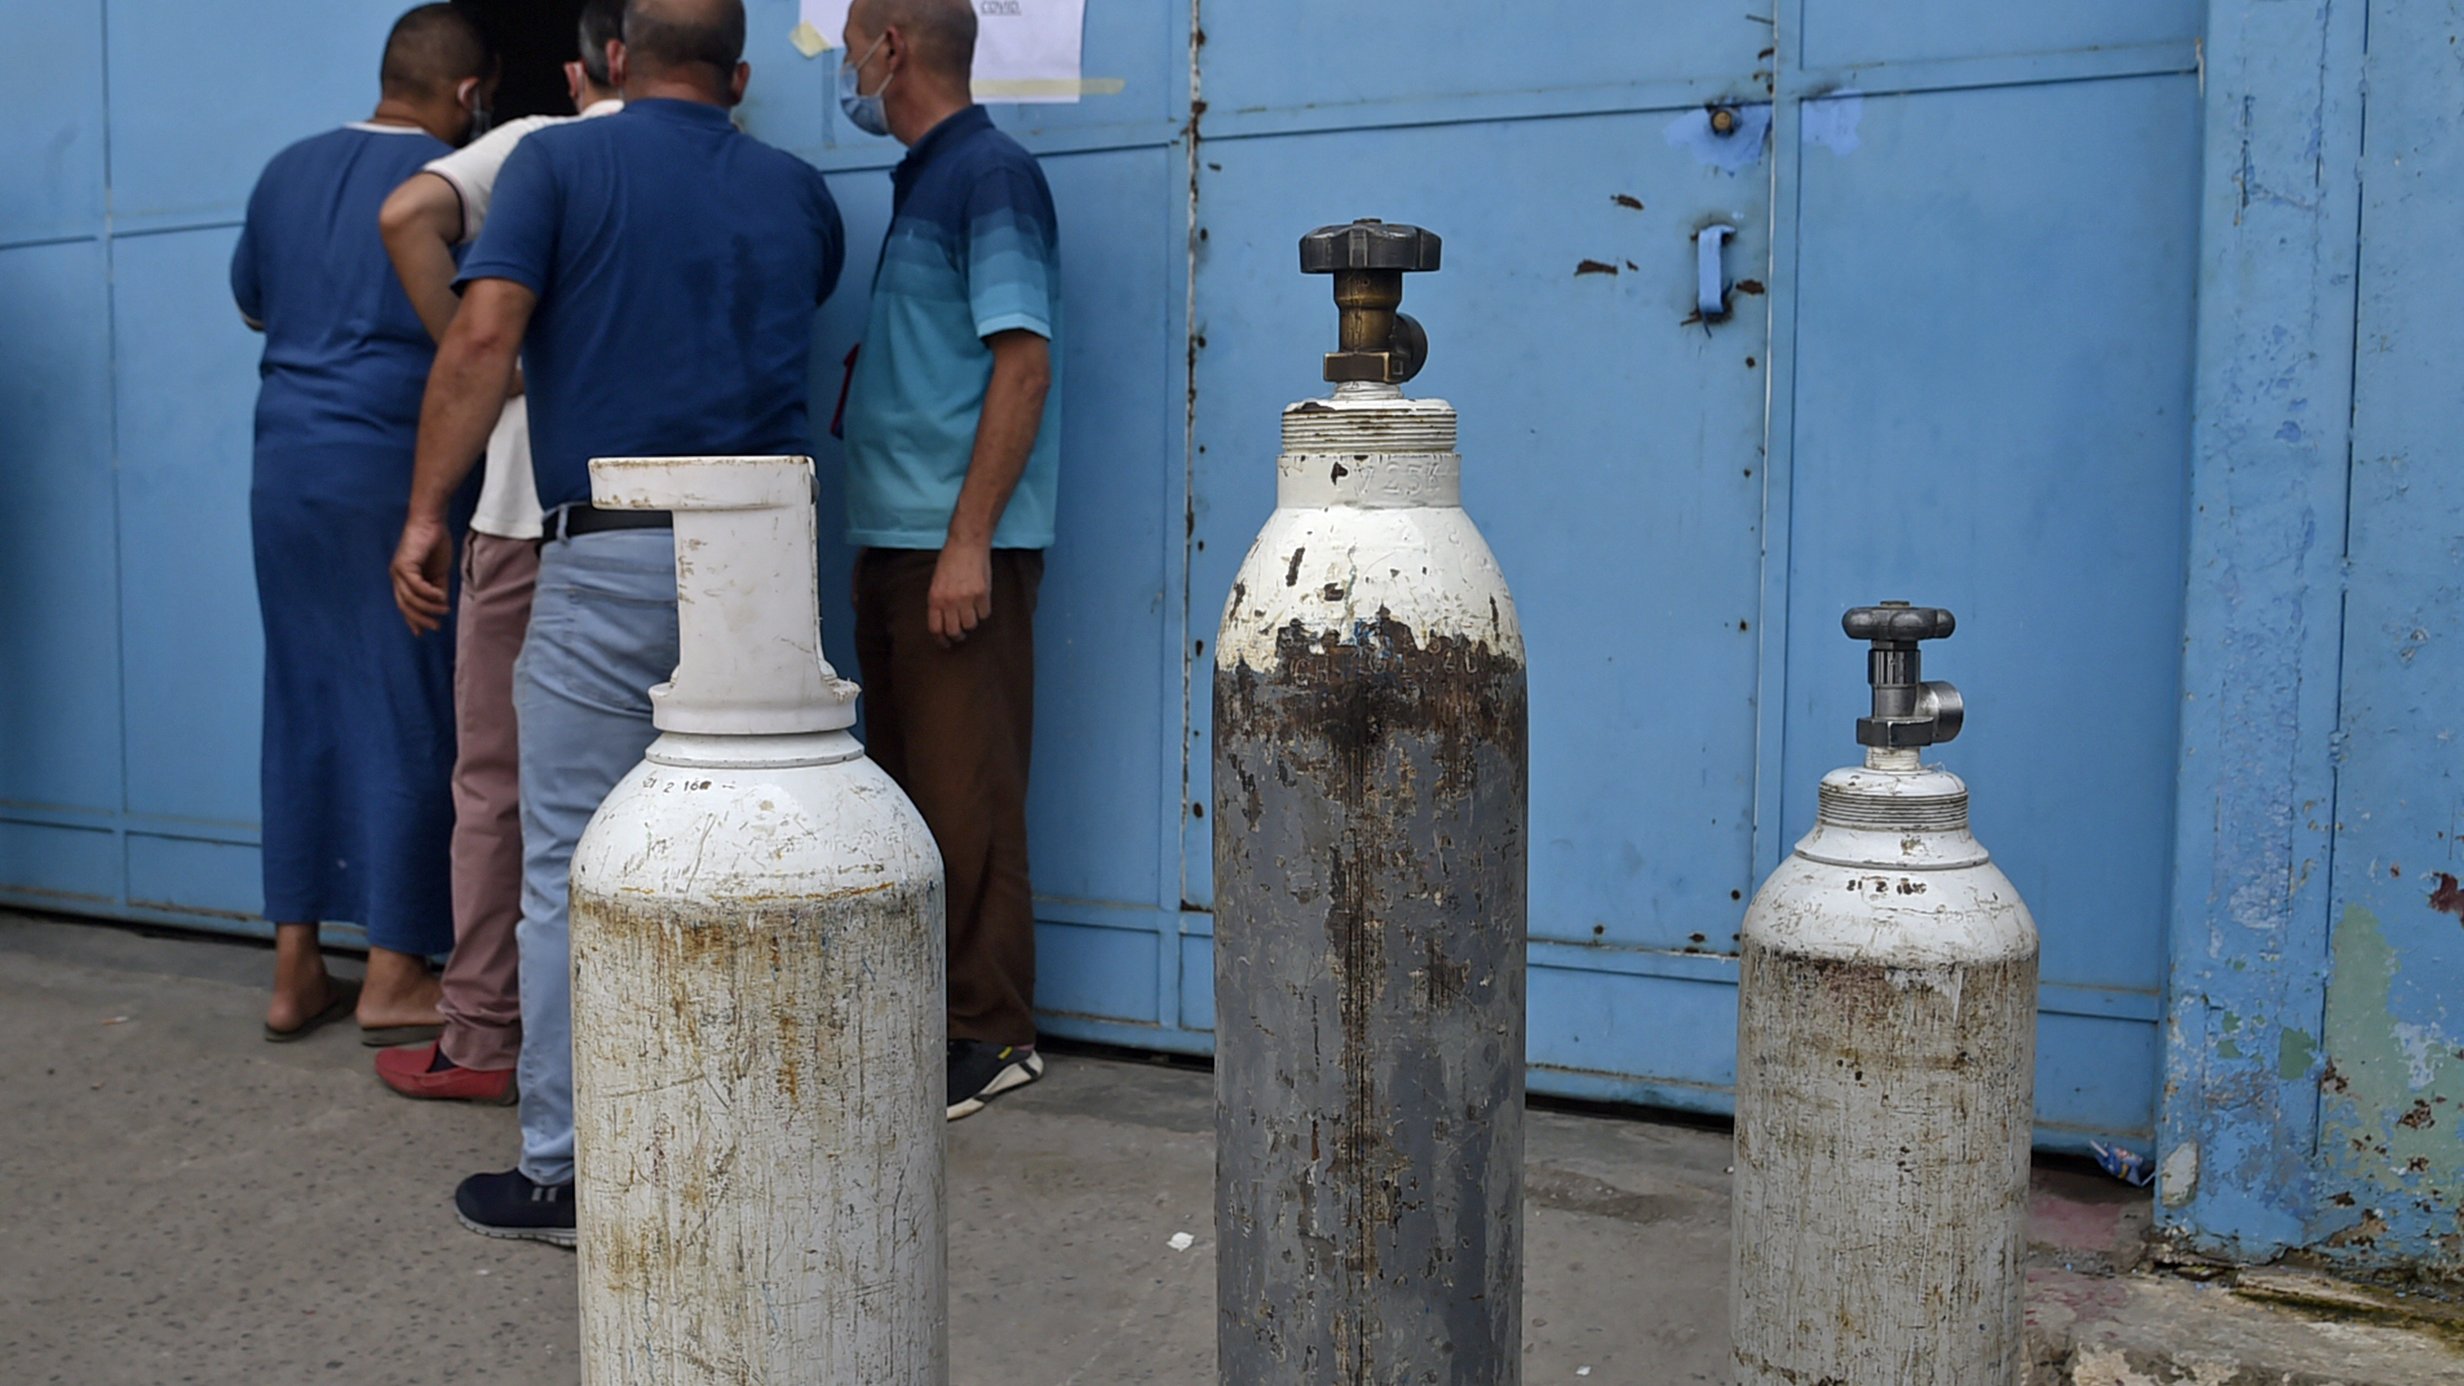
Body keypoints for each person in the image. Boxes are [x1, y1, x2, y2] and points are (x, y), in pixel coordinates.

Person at [389, 0, 845, 1244]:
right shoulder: (799, 191)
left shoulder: (558, 162)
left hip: (616, 554)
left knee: (571, 866)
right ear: (740, 74)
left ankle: (568, 1172)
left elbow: (485, 334)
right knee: (749, 860)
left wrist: (430, 513)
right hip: (765, 558)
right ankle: (747, 1144)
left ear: (612, 63)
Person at [370, 0, 629, 1106]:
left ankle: (483, 1033)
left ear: (582, 70)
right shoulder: (732, 160)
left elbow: (405, 214)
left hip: (526, 514)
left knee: (497, 785)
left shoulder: (538, 145)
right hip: (672, 523)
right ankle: (627, 1034)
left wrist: (495, 362)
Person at [232, 4, 498, 1045]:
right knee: (410, 707)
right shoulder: (459, 184)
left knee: (300, 700)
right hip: (395, 471)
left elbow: (258, 307)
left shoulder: (283, 171)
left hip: (284, 471)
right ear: (472, 96)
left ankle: (296, 969)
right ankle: (394, 973)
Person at [836, 0, 1062, 1119]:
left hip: (950, 548)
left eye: (848, 48)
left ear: (891, 48)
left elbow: (1022, 365)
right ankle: (940, 1016)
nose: (844, 72)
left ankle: (990, 1031)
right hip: (898, 539)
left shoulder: (990, 176)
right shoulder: (924, 179)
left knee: (964, 793)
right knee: (917, 795)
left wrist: (967, 540)